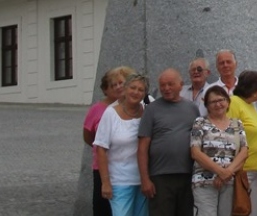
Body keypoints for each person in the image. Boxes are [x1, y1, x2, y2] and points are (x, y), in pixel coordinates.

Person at [137, 68, 200, 216]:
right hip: (160, 177)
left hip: (187, 175)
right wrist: (145, 179)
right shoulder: (151, 110)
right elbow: (142, 148)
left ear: (181, 84)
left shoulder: (192, 108)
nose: (166, 88)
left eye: (170, 84)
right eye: (162, 85)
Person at [94, 73, 150, 216]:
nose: (136, 92)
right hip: (120, 180)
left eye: (140, 90)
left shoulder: (148, 111)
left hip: (144, 180)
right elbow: (100, 149)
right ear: (125, 89)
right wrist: (105, 182)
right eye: (132, 88)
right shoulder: (110, 114)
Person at [190, 85, 249, 216]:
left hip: (229, 181)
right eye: (213, 102)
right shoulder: (200, 122)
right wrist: (220, 172)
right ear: (207, 105)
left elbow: (244, 151)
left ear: (228, 102)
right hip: (204, 182)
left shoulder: (237, 124)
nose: (218, 104)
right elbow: (195, 152)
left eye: (221, 100)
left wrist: (226, 173)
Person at [84, 66, 133, 216]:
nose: (118, 87)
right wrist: (102, 147)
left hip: (126, 167)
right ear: (106, 90)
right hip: (102, 166)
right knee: (102, 206)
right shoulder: (97, 109)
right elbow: (88, 136)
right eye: (113, 85)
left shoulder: (133, 106)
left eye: (121, 83)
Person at [228, 70, 257, 216]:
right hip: (244, 170)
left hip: (256, 170)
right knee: (244, 211)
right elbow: (230, 135)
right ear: (252, 88)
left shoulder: (251, 105)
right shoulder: (234, 102)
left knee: (254, 212)